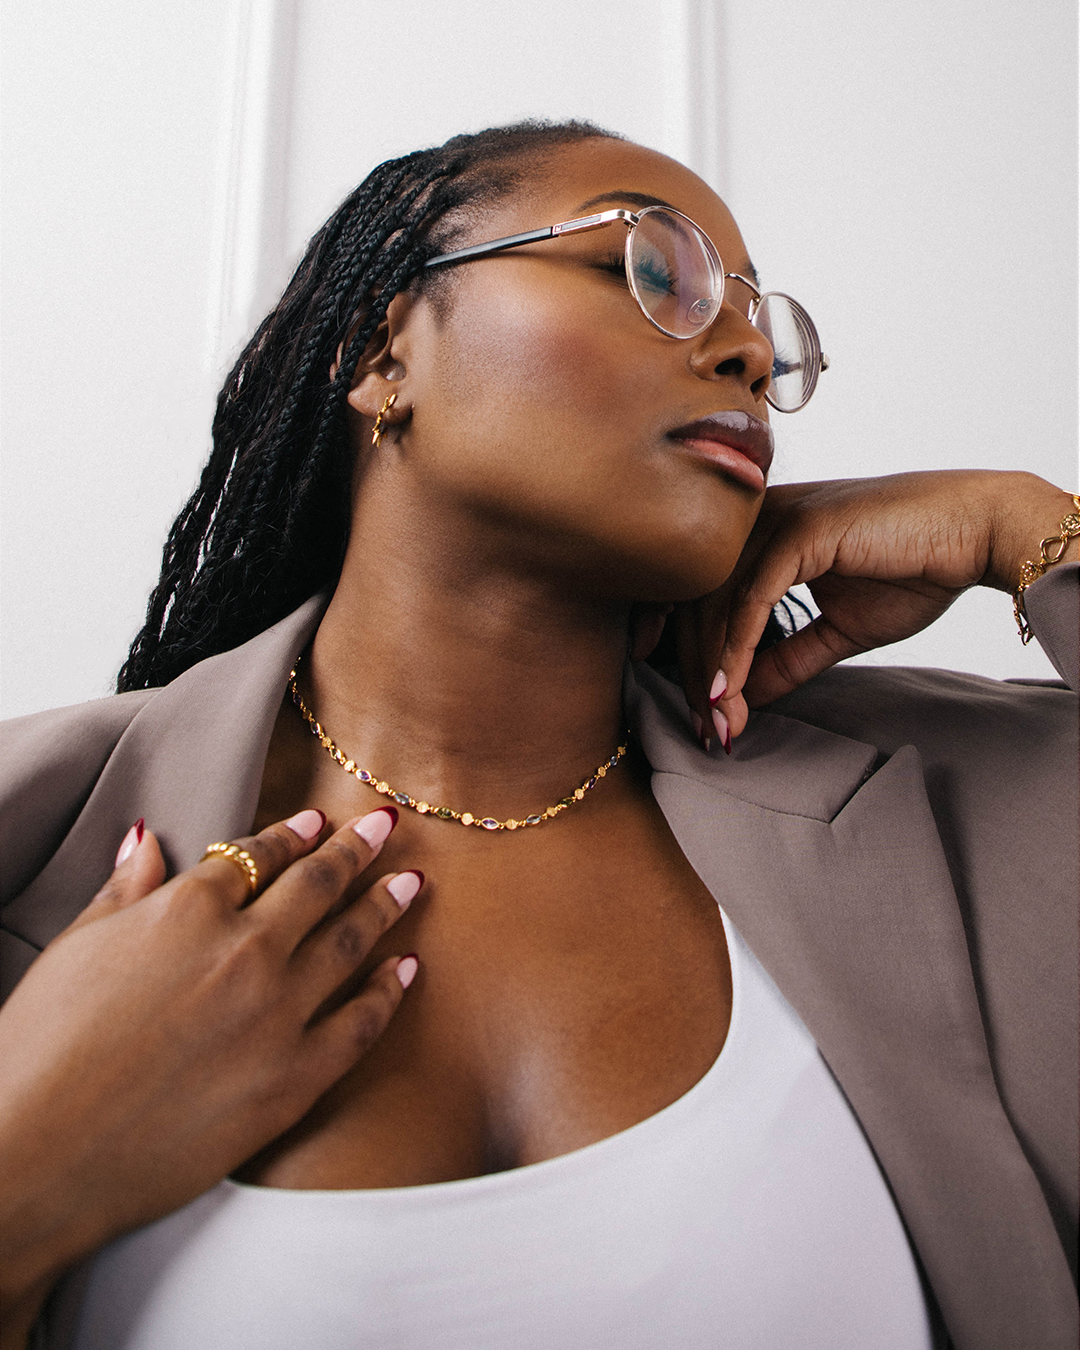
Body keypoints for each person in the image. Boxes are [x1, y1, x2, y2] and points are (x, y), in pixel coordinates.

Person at [0, 120, 1076, 1350]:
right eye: (655, 269)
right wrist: (29, 1163)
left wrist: (1028, 529)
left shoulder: (941, 814)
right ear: (381, 350)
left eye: (763, 331)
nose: (744, 352)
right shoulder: (39, 840)